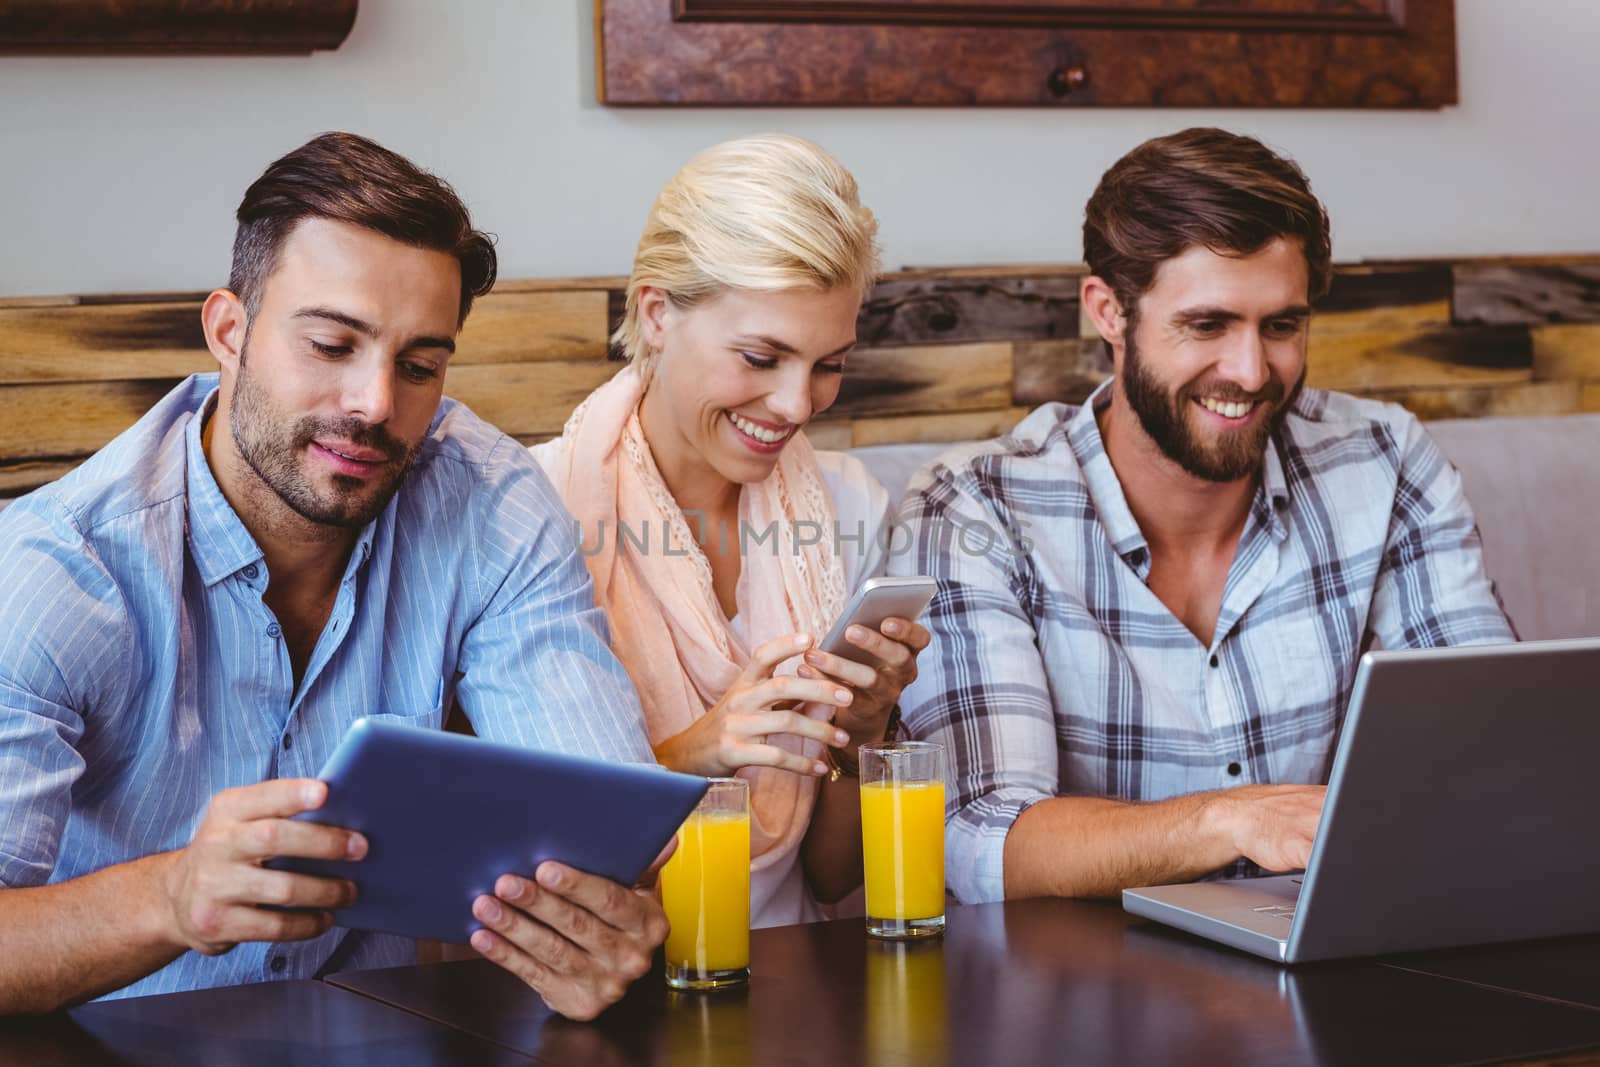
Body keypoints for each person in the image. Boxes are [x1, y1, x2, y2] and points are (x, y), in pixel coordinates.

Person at [0, 132, 666, 1018]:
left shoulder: (493, 503)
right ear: (228, 332)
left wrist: (602, 931)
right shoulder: (59, 567)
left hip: (388, 1034)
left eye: (421, 364)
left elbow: (602, 838)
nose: (376, 404)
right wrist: (168, 898)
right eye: (331, 343)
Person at [891, 127, 1514, 905]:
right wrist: (1230, 820)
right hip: (1084, 992)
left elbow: (1493, 747)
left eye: (1281, 325)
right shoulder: (975, 508)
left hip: (1337, 970)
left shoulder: (1382, 460)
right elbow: (978, 839)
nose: (1252, 372)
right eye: (1208, 325)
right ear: (1108, 311)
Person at [533, 134, 930, 927]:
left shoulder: (850, 507)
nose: (797, 404)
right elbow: (519, 848)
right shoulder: (536, 509)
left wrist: (861, 732)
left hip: (799, 984)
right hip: (607, 970)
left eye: (829, 364)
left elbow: (829, 881)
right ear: (655, 313)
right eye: (760, 356)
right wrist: (698, 754)